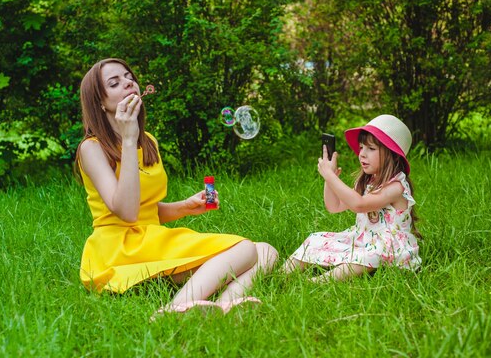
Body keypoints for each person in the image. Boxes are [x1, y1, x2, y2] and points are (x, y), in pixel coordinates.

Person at [75, 58, 278, 317]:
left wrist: (184, 207)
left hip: (150, 239)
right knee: (246, 249)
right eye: (115, 83)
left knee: (266, 251)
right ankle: (172, 310)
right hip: (121, 249)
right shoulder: (91, 148)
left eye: (129, 77)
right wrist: (127, 138)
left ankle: (224, 308)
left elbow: (144, 208)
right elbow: (126, 212)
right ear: (100, 103)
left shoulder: (147, 141)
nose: (128, 83)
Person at [285, 114, 422, 282]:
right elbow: (333, 206)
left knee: (367, 257)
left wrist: (332, 177)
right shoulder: (367, 181)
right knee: (316, 239)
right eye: (361, 147)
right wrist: (330, 179)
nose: (362, 154)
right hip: (363, 239)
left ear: (392, 155)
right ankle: (280, 275)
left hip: (388, 247)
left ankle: (318, 282)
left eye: (371, 149)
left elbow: (359, 205)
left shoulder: (396, 187)